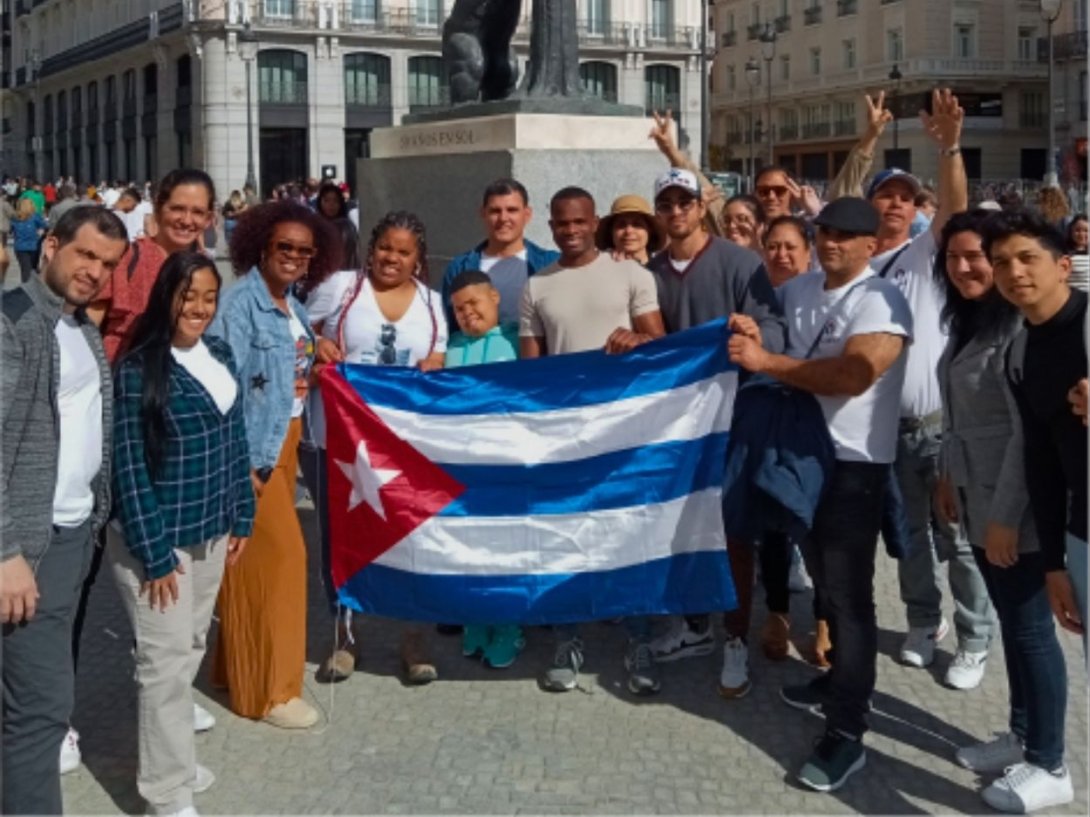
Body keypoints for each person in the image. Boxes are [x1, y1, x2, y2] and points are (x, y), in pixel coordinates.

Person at [730, 196, 912, 792]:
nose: (831, 241)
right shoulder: (801, 288)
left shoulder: (882, 301)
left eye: (845, 235)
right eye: (825, 231)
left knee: (851, 602)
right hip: (802, 458)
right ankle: (835, 685)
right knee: (827, 591)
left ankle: (847, 732)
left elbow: (853, 375)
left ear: (871, 245)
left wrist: (767, 361)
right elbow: (778, 335)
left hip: (855, 468)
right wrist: (754, 332)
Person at [931, 210, 1074, 815]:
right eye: (954, 258)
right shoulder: (971, 320)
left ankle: (1050, 763)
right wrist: (948, 474)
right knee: (1015, 628)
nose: (966, 267)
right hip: (976, 495)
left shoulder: (1018, 327)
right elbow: (959, 414)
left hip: (1017, 509)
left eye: (977, 257)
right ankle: (1021, 734)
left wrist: (1006, 518)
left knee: (1031, 631)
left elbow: (1025, 437)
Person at [108, 252, 255, 817]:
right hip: (158, 539)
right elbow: (128, 468)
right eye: (187, 296)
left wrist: (243, 514)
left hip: (212, 529)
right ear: (165, 296)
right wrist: (154, 554)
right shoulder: (138, 369)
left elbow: (236, 439)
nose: (198, 307)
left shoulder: (219, 354)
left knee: (191, 644)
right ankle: (167, 793)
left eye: (208, 298)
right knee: (164, 664)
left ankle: (173, 758)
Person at [1, 206, 128, 815]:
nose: (95, 271)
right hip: (28, 548)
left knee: (30, 701)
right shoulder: (14, 323)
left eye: (107, 264)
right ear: (50, 245)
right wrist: (6, 552)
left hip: (73, 536)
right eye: (85, 255)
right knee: (40, 711)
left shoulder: (77, 326)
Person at [865, 89, 994, 689]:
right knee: (909, 536)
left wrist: (950, 149)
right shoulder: (853, 266)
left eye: (905, 197)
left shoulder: (924, 253)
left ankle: (975, 639)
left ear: (917, 208)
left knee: (959, 539)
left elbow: (956, 210)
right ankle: (923, 622)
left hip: (940, 427)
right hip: (884, 431)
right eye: (885, 195)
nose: (895, 204)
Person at [643, 167, 785, 700]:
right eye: (666, 204)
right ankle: (695, 624)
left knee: (732, 535)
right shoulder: (650, 273)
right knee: (681, 527)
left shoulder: (740, 263)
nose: (676, 211)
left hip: (733, 416)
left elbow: (774, 328)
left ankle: (736, 638)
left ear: (702, 207)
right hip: (678, 425)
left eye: (685, 201)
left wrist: (754, 332)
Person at [520, 186, 666, 695]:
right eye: (561, 223)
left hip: (625, 431)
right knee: (565, 538)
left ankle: (639, 641)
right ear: (551, 227)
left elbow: (662, 347)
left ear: (594, 222)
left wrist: (639, 340)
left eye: (579, 221)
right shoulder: (536, 285)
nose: (571, 231)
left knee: (629, 536)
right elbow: (530, 371)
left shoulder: (632, 275)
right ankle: (567, 640)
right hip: (564, 434)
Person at [206, 201, 339, 729]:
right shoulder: (239, 306)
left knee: (248, 561)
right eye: (285, 246)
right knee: (284, 558)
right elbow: (221, 390)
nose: (295, 257)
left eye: (305, 251)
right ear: (261, 247)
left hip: (288, 442)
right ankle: (272, 692)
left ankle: (235, 668)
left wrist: (317, 349)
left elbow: (289, 368)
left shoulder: (292, 305)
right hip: (255, 452)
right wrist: (239, 462)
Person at [304, 210, 448, 684]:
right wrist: (316, 349)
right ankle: (345, 637)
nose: (392, 258)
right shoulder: (341, 288)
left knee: (411, 537)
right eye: (385, 247)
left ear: (418, 259)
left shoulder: (432, 304)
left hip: (402, 446)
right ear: (371, 248)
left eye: (403, 252)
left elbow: (439, 359)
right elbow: (297, 330)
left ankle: (413, 639)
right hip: (337, 439)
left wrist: (436, 367)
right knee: (340, 538)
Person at [987, 210, 1088, 656]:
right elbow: (1042, 461)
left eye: (1027, 258)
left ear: (1063, 265)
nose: (1014, 272)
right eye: (1002, 262)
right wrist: (1054, 564)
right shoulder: (1019, 354)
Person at [752, 215, 824, 664]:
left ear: (808, 252)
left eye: (790, 247)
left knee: (816, 527)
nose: (780, 255)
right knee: (773, 523)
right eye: (773, 246)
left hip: (818, 421)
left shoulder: (821, 291)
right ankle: (777, 613)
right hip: (769, 419)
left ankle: (824, 617)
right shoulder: (757, 293)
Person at [443, 269, 524, 666]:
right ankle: (476, 620)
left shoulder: (518, 340)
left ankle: (509, 626)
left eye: (473, 303)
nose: (467, 313)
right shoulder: (451, 346)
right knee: (469, 548)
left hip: (506, 465)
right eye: (459, 309)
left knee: (505, 548)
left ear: (495, 297)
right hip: (464, 467)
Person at [89, 169, 217, 362]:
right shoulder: (127, 258)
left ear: (208, 219)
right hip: (121, 372)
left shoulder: (205, 270)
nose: (186, 220)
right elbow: (88, 330)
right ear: (158, 208)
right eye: (177, 209)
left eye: (197, 212)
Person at [441, 178, 559, 327]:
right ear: (483, 213)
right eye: (495, 211)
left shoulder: (550, 264)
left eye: (512, 210)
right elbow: (450, 327)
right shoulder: (459, 268)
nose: (503, 218)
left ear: (527, 214)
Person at [595, 194, 664, 266]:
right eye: (621, 225)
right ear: (611, 232)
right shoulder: (599, 268)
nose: (628, 231)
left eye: (637, 225)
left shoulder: (663, 269)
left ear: (650, 230)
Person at [315, 181, 361, 271]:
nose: (331, 205)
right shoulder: (314, 225)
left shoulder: (347, 226)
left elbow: (352, 255)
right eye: (326, 200)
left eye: (335, 201)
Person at [11, 197, 48, 283]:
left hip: (20, 247)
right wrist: (40, 232)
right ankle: (32, 286)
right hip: (33, 246)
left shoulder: (15, 218)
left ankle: (26, 286)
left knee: (25, 270)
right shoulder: (35, 216)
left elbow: (11, 230)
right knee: (33, 268)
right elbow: (45, 226)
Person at [1064, 213, 1088, 292]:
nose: (1081, 234)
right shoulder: (1064, 254)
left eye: (1086, 230)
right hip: (1074, 296)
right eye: (1077, 230)